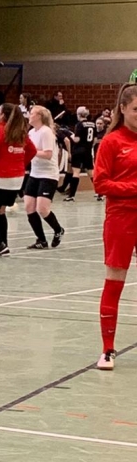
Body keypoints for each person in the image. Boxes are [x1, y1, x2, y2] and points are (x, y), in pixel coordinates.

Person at [92, 84, 137, 370]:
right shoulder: (111, 142)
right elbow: (100, 183)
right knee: (115, 281)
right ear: (122, 109)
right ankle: (107, 349)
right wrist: (133, 188)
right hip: (121, 218)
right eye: (136, 109)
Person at [0, 103, 36, 257]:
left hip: (1, 176)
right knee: (0, 210)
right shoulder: (20, 131)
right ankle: (4, 246)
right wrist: (20, 164)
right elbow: (32, 150)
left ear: (3, 115)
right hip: (17, 178)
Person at [23, 106, 65, 250]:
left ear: (40, 116)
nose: (29, 115)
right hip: (35, 173)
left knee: (42, 208)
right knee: (29, 206)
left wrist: (32, 151)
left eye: (32, 113)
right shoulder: (31, 132)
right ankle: (41, 240)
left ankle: (58, 230)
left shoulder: (46, 132)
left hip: (48, 175)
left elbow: (47, 154)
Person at [65, 106, 96, 202]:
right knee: (91, 173)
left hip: (78, 151)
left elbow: (77, 139)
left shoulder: (79, 124)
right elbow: (94, 139)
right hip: (88, 151)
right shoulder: (93, 124)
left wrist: (70, 135)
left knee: (76, 172)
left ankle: (71, 195)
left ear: (78, 114)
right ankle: (100, 192)